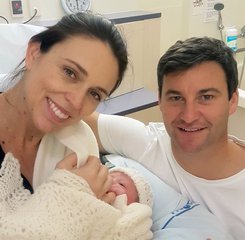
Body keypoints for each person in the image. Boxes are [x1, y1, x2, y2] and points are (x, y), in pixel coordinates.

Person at [0, 11, 154, 240]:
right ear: (34, 53)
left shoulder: (78, 142)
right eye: (70, 73)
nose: (76, 102)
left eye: (94, 93)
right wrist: (69, 197)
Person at [84, 36, 245, 240]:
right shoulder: (145, 142)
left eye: (206, 97)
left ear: (232, 101)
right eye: (176, 98)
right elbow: (70, 113)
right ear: (160, 100)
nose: (188, 116)